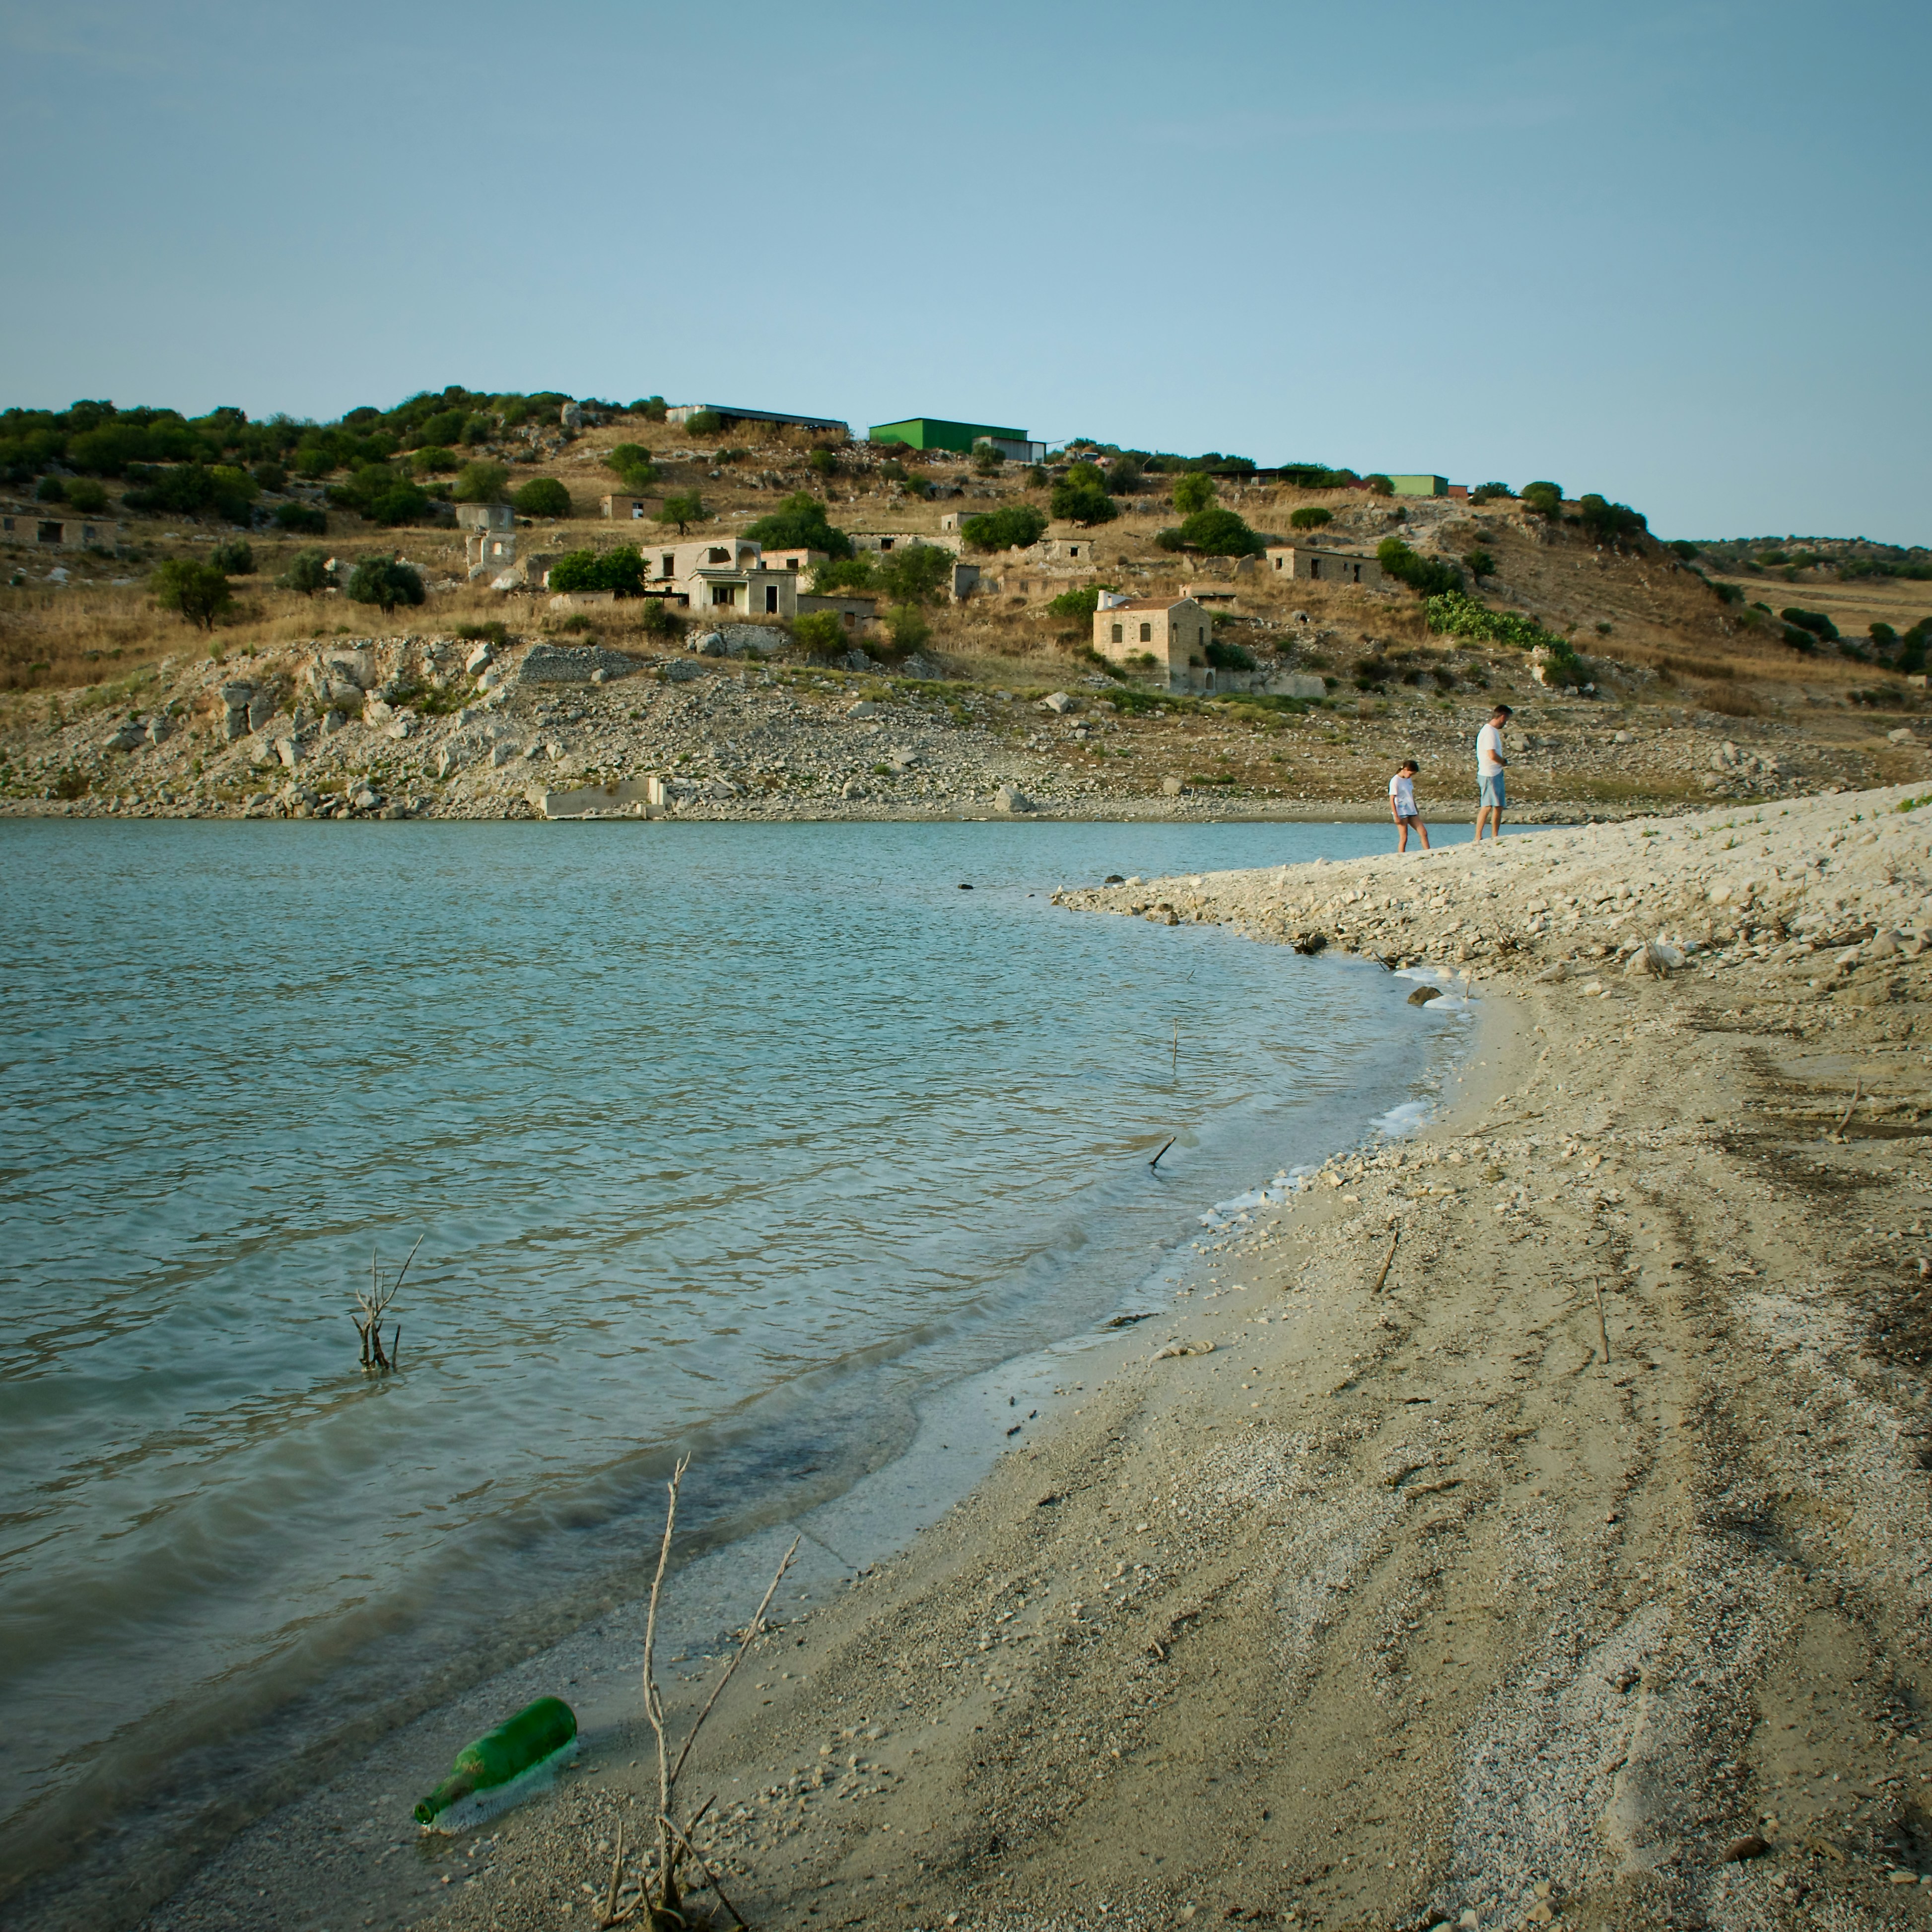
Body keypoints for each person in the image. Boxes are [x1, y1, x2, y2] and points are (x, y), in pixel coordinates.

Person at [1475, 703, 1512, 841]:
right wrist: (1503, 762)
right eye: (1506, 720)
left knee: (1497, 805)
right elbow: (1492, 755)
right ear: (1502, 717)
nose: (1506, 723)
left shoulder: (1489, 731)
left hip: (1492, 772)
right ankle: (1482, 836)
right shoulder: (1490, 732)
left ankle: (1492, 835)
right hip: (1490, 773)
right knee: (1490, 805)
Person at [1388, 759, 1429, 852]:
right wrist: (1396, 815)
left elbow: (1410, 794)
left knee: (1423, 832)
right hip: (1401, 812)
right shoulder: (1395, 781)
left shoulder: (1408, 780)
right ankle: (1401, 856)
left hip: (1411, 810)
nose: (1411, 776)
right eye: (1411, 773)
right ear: (1405, 770)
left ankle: (1428, 852)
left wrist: (1416, 808)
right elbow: (1392, 799)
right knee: (1404, 838)